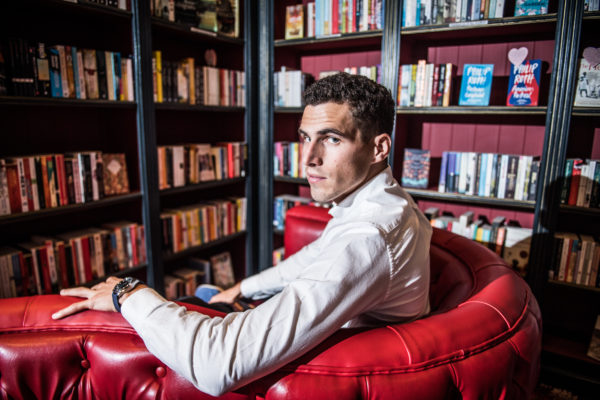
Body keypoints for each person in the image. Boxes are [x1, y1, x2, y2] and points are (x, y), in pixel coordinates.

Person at [52, 72, 432, 397]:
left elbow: (216, 366)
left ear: (379, 147)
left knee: (157, 310)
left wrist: (127, 293)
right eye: (305, 137)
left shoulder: (368, 237)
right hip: (316, 347)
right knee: (200, 299)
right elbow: (315, 256)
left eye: (331, 139)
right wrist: (242, 288)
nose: (308, 158)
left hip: (306, 378)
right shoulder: (385, 202)